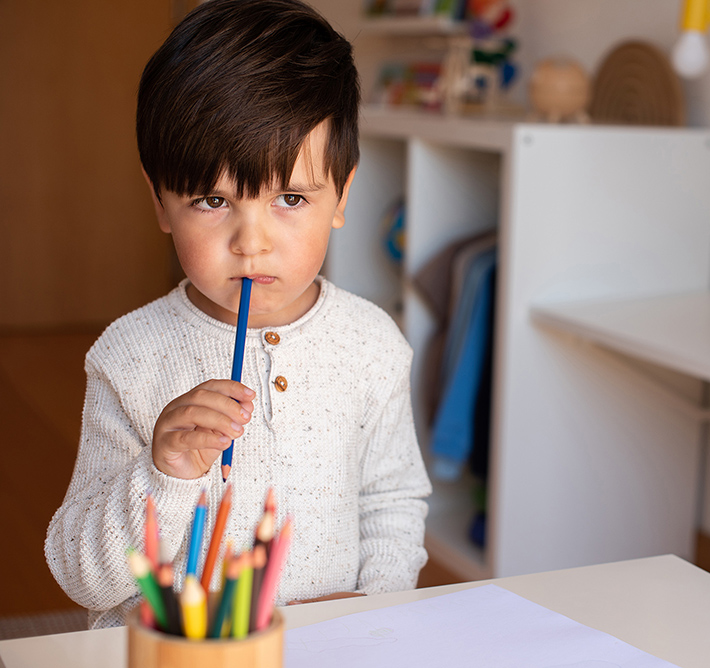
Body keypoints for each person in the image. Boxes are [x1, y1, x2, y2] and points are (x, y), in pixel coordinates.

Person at [45, 0, 431, 629]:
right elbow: (83, 579)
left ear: (342, 195)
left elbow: (391, 501)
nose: (251, 241)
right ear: (161, 202)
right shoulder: (129, 356)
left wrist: (376, 611)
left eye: (290, 197)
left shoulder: (372, 344)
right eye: (210, 199)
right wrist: (162, 475)